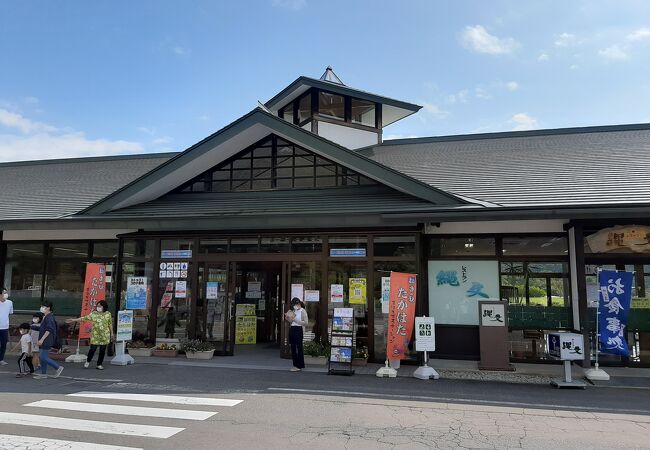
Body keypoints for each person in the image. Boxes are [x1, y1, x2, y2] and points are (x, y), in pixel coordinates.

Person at [66, 300, 114, 370]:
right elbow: (84, 318)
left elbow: (110, 324)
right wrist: (74, 320)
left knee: (102, 350)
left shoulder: (108, 314)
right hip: (95, 335)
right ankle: (88, 361)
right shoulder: (94, 314)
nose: (98, 307)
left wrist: (112, 333)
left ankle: (99, 364)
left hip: (105, 335)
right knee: (93, 349)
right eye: (97, 306)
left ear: (104, 307)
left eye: (100, 306)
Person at [34, 301, 64, 379]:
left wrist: (41, 340)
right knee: (43, 357)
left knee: (43, 357)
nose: (41, 308)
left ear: (48, 308)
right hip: (45, 339)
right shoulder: (46, 316)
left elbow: (49, 330)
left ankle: (58, 367)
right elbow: (43, 328)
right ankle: (44, 374)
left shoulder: (49, 317)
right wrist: (33, 327)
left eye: (43, 307)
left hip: (46, 340)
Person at [285, 297, 308, 372]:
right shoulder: (293, 311)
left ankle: (300, 365)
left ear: (299, 303)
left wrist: (296, 320)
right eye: (294, 304)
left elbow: (306, 323)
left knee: (299, 347)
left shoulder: (303, 311)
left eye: (296, 304)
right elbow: (291, 321)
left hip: (298, 329)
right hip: (292, 329)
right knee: (293, 348)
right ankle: (295, 365)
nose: (295, 306)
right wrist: (288, 318)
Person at [0, 287, 14, 366]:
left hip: (4, 327)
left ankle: (1, 359)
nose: (5, 294)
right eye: (3, 292)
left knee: (3, 344)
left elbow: (10, 313)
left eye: (6, 292)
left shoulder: (9, 302)